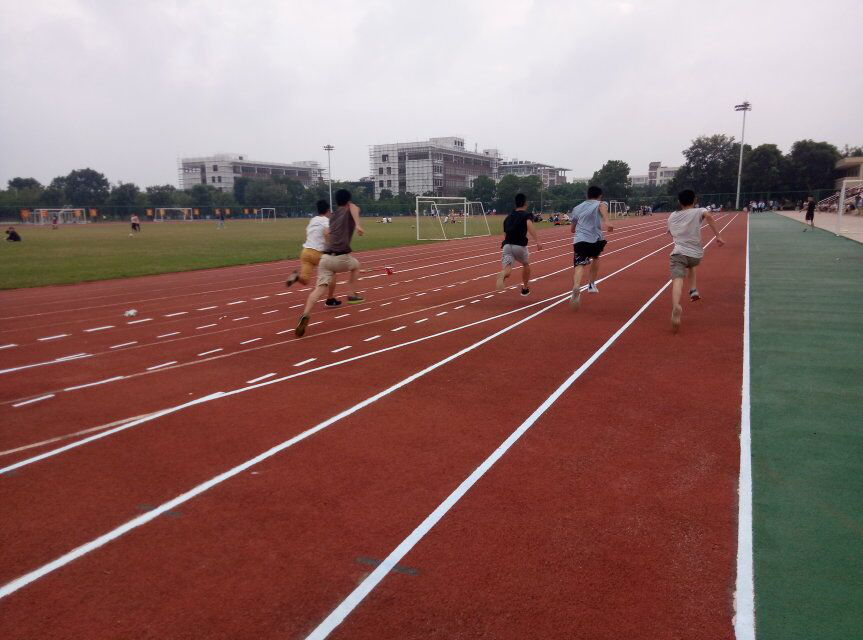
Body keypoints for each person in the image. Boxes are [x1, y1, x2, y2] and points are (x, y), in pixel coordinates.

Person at [295, 189, 365, 337]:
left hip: (325, 259)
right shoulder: (348, 210)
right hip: (341, 257)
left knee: (319, 289)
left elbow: (327, 233)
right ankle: (351, 294)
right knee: (356, 265)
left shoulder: (332, 217)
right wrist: (358, 225)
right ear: (348, 201)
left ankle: (305, 315)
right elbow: (354, 207)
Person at [667, 189, 725, 333]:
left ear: (679, 202)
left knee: (677, 280)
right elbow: (709, 216)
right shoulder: (700, 211)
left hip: (678, 253)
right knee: (691, 264)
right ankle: (693, 290)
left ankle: (676, 306)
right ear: (695, 200)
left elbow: (670, 231)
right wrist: (718, 236)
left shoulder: (672, 216)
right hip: (695, 255)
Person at [285, 200, 340, 307]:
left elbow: (309, 234)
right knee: (332, 272)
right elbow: (327, 233)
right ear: (328, 210)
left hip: (305, 252)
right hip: (317, 253)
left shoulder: (313, 220)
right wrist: (330, 248)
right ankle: (330, 299)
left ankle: (296, 277)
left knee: (305, 280)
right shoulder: (326, 220)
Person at [569, 185, 613, 310]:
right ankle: (591, 284)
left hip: (579, 240)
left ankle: (576, 286)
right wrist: (607, 221)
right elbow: (602, 207)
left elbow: (572, 229)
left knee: (579, 265)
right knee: (596, 257)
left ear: (587, 195)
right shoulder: (600, 203)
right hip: (594, 240)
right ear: (600, 196)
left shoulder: (577, 208)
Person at [496, 193, 542, 296]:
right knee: (525, 264)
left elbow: (505, 233)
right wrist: (537, 241)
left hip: (507, 245)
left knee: (508, 269)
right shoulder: (526, 215)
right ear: (525, 203)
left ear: (515, 204)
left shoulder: (508, 217)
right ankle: (525, 288)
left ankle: (503, 274)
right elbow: (529, 225)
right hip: (519, 245)